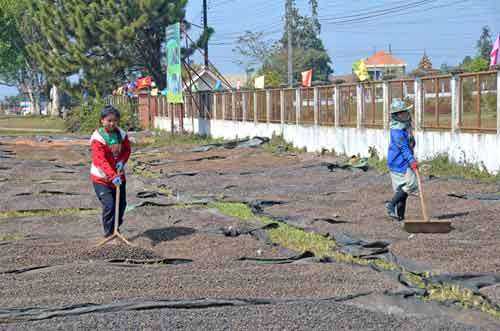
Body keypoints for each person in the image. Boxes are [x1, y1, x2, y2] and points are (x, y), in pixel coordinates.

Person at [90, 106, 131, 238]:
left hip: (119, 176)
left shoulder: (121, 134)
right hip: (101, 178)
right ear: (102, 120)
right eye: (109, 120)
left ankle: (116, 229)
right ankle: (109, 234)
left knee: (121, 205)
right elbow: (100, 160)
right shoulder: (98, 138)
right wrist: (112, 176)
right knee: (110, 205)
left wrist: (122, 161)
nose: (112, 123)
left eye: (115, 121)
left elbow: (126, 150)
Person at [386, 100, 418, 222]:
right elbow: (404, 148)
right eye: (401, 113)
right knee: (412, 184)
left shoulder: (404, 126)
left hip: (404, 160)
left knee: (402, 193)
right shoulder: (397, 131)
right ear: (396, 116)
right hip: (398, 162)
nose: (404, 114)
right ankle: (390, 205)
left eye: (405, 111)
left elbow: (410, 144)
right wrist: (412, 161)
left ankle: (400, 218)